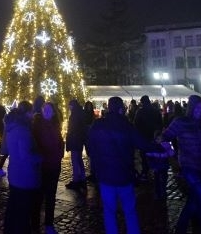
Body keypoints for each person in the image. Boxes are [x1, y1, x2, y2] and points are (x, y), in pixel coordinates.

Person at [87, 96, 162, 234]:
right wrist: (159, 148)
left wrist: (96, 166)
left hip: (105, 176)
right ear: (122, 109)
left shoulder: (98, 125)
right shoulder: (127, 127)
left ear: (109, 108)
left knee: (109, 212)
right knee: (130, 211)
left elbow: (91, 147)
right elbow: (143, 144)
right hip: (124, 175)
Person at [161, 95, 201, 234]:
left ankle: (180, 229)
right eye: (197, 107)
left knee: (194, 201)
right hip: (189, 166)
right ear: (191, 107)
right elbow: (165, 137)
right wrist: (170, 153)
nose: (199, 111)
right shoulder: (181, 122)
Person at [3, 100, 42, 234]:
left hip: (15, 173)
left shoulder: (11, 127)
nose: (33, 115)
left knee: (13, 208)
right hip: (24, 176)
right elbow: (26, 155)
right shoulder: (23, 130)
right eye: (31, 112)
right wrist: (41, 157)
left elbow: (8, 149)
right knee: (22, 213)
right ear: (26, 113)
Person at [31, 101, 64, 234]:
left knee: (51, 196)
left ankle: (49, 224)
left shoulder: (56, 125)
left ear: (53, 112)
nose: (47, 112)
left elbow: (60, 141)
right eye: (45, 110)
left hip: (54, 165)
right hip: (42, 165)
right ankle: (35, 225)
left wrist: (60, 153)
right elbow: (34, 144)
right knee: (38, 197)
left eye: (49, 110)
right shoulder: (37, 125)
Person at [133, 95, 163, 181]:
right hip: (154, 136)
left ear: (142, 102)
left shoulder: (140, 111)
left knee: (144, 155)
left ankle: (145, 172)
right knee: (154, 153)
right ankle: (156, 172)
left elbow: (136, 124)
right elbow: (160, 123)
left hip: (144, 136)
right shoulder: (156, 111)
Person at [65, 99, 87, 191]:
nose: (69, 107)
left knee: (75, 160)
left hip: (75, 140)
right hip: (79, 140)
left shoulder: (74, 115)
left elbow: (72, 129)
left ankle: (76, 180)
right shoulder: (80, 113)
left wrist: (69, 139)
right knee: (79, 160)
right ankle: (82, 178)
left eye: (70, 106)